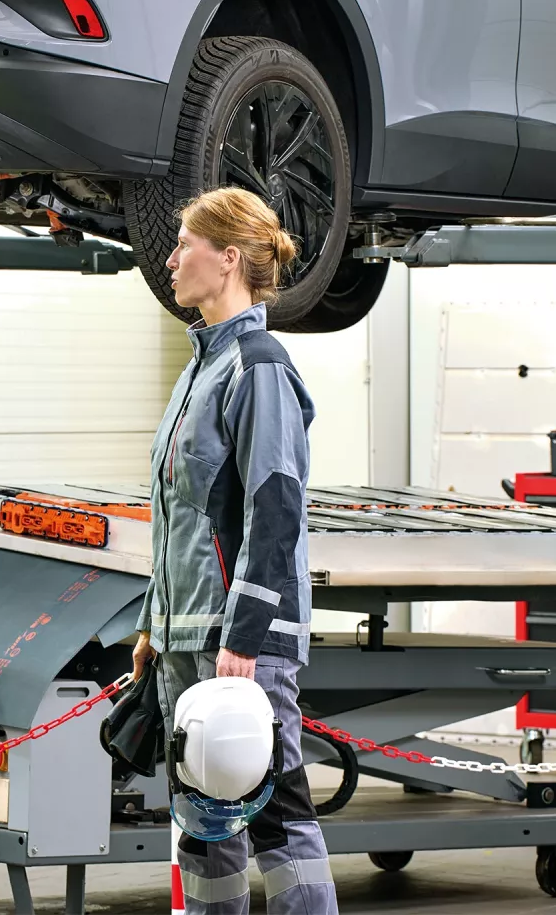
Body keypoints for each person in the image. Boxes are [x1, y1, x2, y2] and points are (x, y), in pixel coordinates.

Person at [131, 187, 337, 914]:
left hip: (240, 641)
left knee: (274, 812)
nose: (171, 258)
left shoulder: (259, 365)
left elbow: (274, 508)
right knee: (203, 820)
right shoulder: (202, 366)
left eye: (184, 243)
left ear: (227, 258)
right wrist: (156, 625)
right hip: (190, 633)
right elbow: (181, 514)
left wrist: (244, 637)